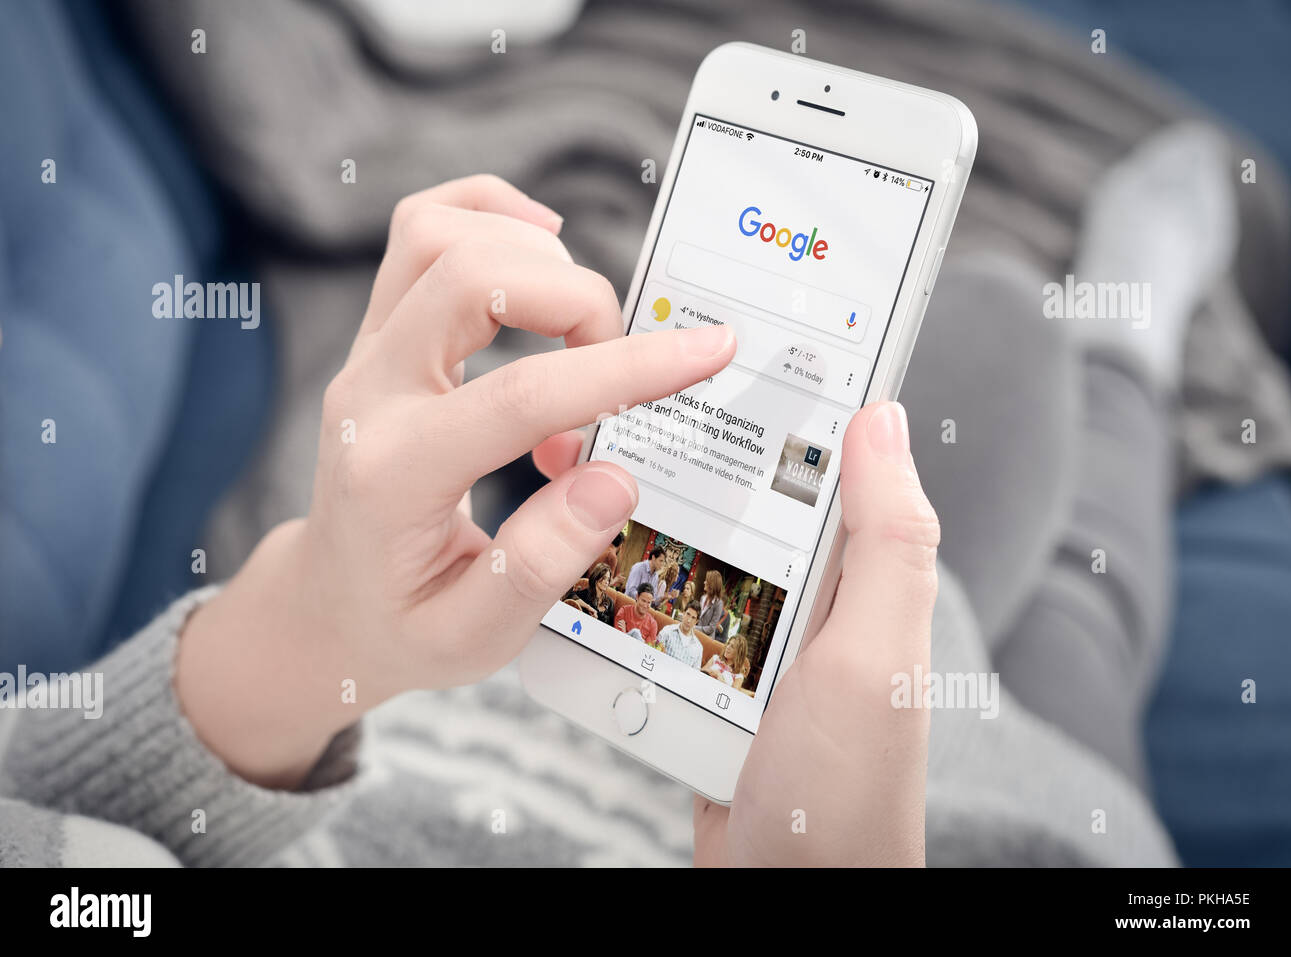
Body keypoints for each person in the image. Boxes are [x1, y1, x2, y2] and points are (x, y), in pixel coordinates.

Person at [0, 176, 941, 868]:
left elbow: (41, 812)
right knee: (918, 602)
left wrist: (320, 623)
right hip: (852, 797)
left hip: (421, 746)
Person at [564, 562, 616, 627]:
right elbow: (569, 595)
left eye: (608, 579)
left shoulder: (610, 602)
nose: (606, 582)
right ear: (596, 577)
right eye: (604, 578)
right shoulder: (586, 594)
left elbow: (611, 627)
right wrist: (588, 607)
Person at [659, 601, 704, 670]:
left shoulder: (698, 648)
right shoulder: (667, 631)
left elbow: (695, 674)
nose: (689, 620)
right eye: (688, 614)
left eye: (693, 618)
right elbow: (655, 653)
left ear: (696, 622)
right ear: (683, 613)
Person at [614, 583, 661, 648]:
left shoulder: (653, 624)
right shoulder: (624, 611)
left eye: (648, 602)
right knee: (636, 632)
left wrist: (625, 633)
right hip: (619, 647)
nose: (645, 605)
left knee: (636, 633)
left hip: (638, 654)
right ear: (637, 597)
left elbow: (646, 649)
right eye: (643, 601)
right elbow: (618, 637)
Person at [696, 569, 727, 638]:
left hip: (705, 639)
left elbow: (711, 628)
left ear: (711, 584)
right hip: (694, 634)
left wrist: (694, 628)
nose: (704, 582)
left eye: (706, 581)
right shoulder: (702, 598)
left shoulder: (718, 603)